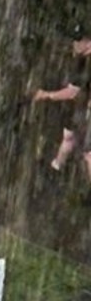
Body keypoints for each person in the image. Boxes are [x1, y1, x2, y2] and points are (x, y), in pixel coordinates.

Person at [30, 34, 91, 190]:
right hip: (82, 106)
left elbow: (71, 93)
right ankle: (56, 166)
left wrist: (46, 95)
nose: (74, 45)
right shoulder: (81, 60)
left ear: (87, 43)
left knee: (89, 154)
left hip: (85, 106)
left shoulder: (86, 64)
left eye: (78, 42)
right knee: (69, 136)